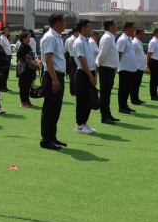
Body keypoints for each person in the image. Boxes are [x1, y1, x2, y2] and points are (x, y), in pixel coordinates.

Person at [40, 13, 67, 150]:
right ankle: (46, 140)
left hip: (57, 75)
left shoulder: (57, 37)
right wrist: (55, 79)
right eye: (63, 21)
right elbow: (48, 59)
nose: (65, 24)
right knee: (50, 108)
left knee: (56, 108)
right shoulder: (50, 37)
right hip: (52, 75)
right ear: (57, 23)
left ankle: (52, 136)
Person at [73, 19, 98, 134]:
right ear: (82, 28)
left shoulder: (87, 41)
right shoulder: (79, 42)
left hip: (90, 72)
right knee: (82, 100)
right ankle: (79, 125)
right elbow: (82, 61)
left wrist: (95, 75)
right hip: (83, 73)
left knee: (89, 99)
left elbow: (92, 60)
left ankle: (84, 122)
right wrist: (90, 76)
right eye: (89, 27)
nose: (91, 29)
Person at [96, 20, 120, 125]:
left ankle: (108, 114)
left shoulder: (110, 37)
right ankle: (104, 116)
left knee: (107, 93)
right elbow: (102, 54)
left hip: (109, 69)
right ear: (110, 26)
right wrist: (98, 64)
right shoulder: (107, 38)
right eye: (115, 25)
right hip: (105, 68)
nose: (117, 27)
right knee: (105, 94)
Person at [116, 22, 138, 114]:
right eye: (133, 28)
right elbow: (119, 54)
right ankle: (122, 107)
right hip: (124, 69)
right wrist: (117, 67)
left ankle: (125, 105)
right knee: (123, 89)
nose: (134, 30)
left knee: (127, 88)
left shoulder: (129, 39)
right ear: (127, 29)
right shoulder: (122, 40)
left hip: (130, 69)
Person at [16, 30, 40, 108]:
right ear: (24, 39)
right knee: (24, 86)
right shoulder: (22, 47)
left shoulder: (28, 46)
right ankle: (23, 102)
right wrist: (36, 64)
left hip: (29, 70)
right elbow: (28, 58)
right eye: (28, 37)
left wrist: (36, 62)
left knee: (28, 86)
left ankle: (27, 101)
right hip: (24, 71)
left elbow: (32, 57)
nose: (30, 39)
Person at [147, 28, 158, 101]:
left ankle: (155, 94)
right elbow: (149, 53)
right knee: (154, 80)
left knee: (157, 79)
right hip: (154, 62)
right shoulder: (153, 41)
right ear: (157, 33)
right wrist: (147, 64)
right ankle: (153, 95)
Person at [0, 27, 13, 92]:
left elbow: (8, 47)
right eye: (6, 30)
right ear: (3, 31)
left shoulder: (6, 38)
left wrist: (10, 54)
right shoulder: (1, 38)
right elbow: (0, 48)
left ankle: (5, 86)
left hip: (8, 56)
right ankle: (1, 86)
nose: (8, 31)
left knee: (6, 72)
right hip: (4, 56)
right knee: (3, 72)